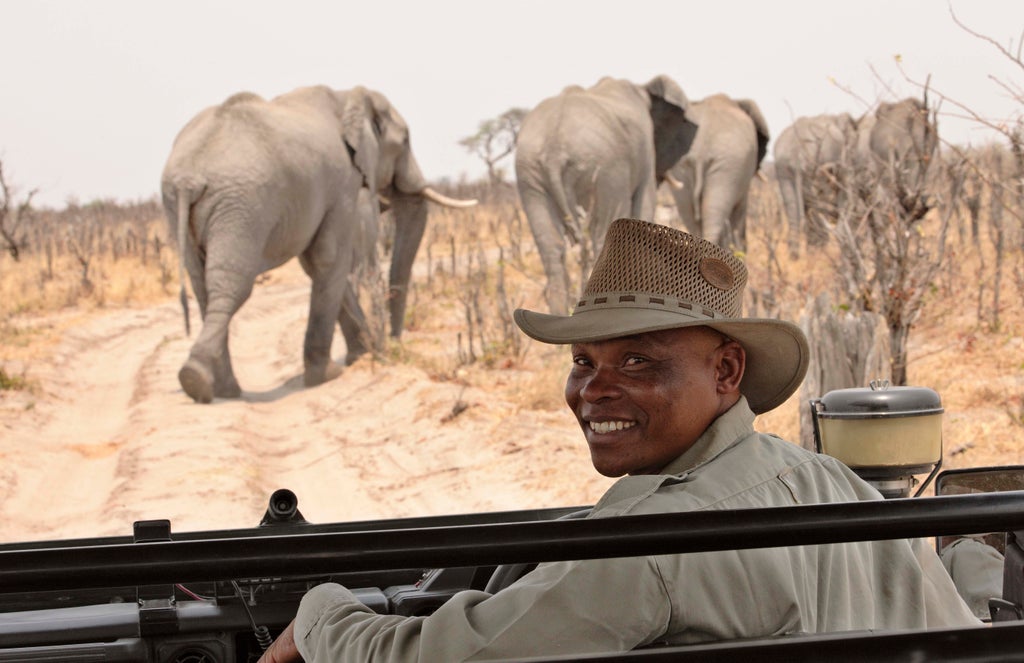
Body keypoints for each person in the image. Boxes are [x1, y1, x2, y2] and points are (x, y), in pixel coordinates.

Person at [259, 218, 977, 663]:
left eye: (638, 360)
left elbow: (428, 658)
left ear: (727, 371)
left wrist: (322, 611)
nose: (593, 390)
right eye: (583, 362)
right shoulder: (828, 481)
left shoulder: (647, 541)